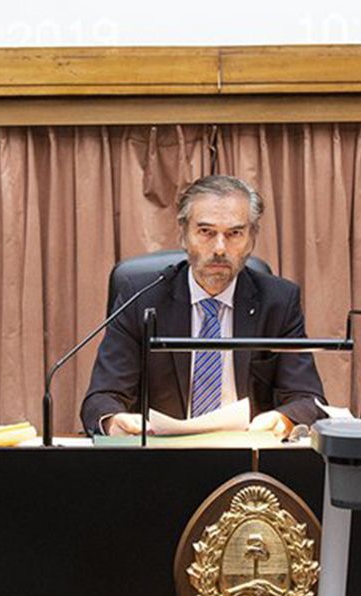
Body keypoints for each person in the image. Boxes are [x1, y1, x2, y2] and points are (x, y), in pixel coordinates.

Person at [80, 175, 326, 438]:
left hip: (248, 459)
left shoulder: (278, 301)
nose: (220, 248)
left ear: (252, 238)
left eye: (234, 233)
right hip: (161, 458)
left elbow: (308, 398)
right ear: (184, 234)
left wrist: (283, 419)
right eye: (206, 232)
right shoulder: (140, 297)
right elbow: (102, 398)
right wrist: (114, 421)